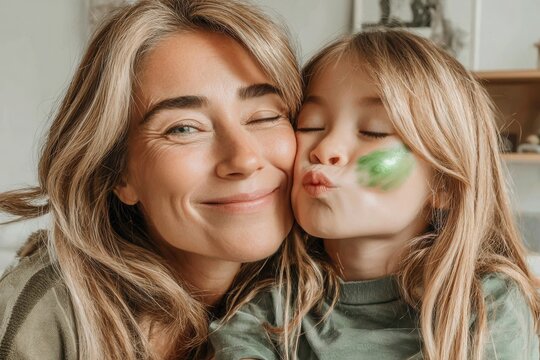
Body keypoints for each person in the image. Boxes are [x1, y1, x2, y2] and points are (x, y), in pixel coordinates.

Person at [0, 0, 306, 358]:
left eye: (265, 116)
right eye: (184, 128)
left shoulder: (329, 296)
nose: (244, 158)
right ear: (118, 173)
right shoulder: (44, 320)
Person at [209, 29, 540, 360]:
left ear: (443, 184)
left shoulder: (486, 305)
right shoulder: (265, 312)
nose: (325, 149)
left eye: (373, 131)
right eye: (310, 126)